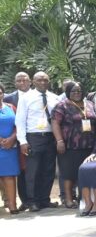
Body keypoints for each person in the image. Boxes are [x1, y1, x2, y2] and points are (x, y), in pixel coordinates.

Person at [16, 72, 60, 212]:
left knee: (48, 170)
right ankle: (32, 201)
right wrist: (22, 141)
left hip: (50, 137)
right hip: (33, 137)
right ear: (33, 82)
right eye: (39, 80)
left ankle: (44, 199)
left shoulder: (54, 97)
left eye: (45, 80)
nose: (43, 83)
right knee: (32, 171)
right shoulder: (26, 98)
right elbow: (20, 120)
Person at [51, 82, 96, 209]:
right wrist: (59, 141)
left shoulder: (89, 104)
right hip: (69, 145)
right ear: (68, 93)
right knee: (68, 173)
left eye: (79, 91)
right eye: (73, 91)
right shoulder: (62, 105)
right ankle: (68, 199)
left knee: (84, 172)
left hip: (88, 144)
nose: (77, 93)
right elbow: (55, 123)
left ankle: (83, 198)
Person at [3, 72, 31, 208]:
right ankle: (12, 200)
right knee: (15, 172)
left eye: (24, 80)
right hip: (10, 144)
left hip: (28, 140)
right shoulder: (9, 98)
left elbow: (19, 122)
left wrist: (12, 138)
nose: (22, 82)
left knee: (28, 170)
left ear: (30, 81)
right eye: (18, 80)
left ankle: (32, 200)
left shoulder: (36, 96)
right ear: (15, 83)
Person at [0, 84, 20, 214]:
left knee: (9, 176)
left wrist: (12, 138)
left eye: (0, 92)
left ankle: (13, 205)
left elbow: (19, 124)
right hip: (2, 144)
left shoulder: (10, 107)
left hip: (9, 148)